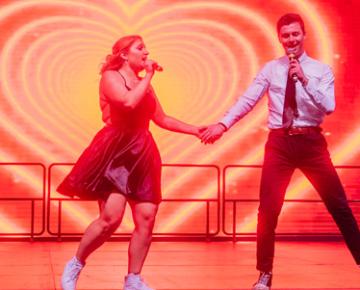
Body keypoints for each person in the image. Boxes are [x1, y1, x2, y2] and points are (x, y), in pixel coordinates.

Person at [200, 13, 360, 290]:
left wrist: (305, 80)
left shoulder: (320, 70)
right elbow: (248, 100)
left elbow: (329, 106)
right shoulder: (271, 69)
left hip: (311, 142)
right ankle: (265, 274)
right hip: (280, 144)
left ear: (304, 34)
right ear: (280, 38)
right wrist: (223, 125)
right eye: (285, 36)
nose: (291, 40)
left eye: (295, 34)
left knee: (339, 206)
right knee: (268, 211)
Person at [58, 35, 203, 290]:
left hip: (142, 150)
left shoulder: (143, 82)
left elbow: (162, 118)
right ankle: (76, 264)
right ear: (124, 54)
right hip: (115, 151)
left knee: (147, 216)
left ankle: (133, 279)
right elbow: (127, 102)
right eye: (140, 48)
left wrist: (196, 130)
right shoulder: (111, 77)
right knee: (110, 219)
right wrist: (148, 76)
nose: (146, 52)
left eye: (146, 48)